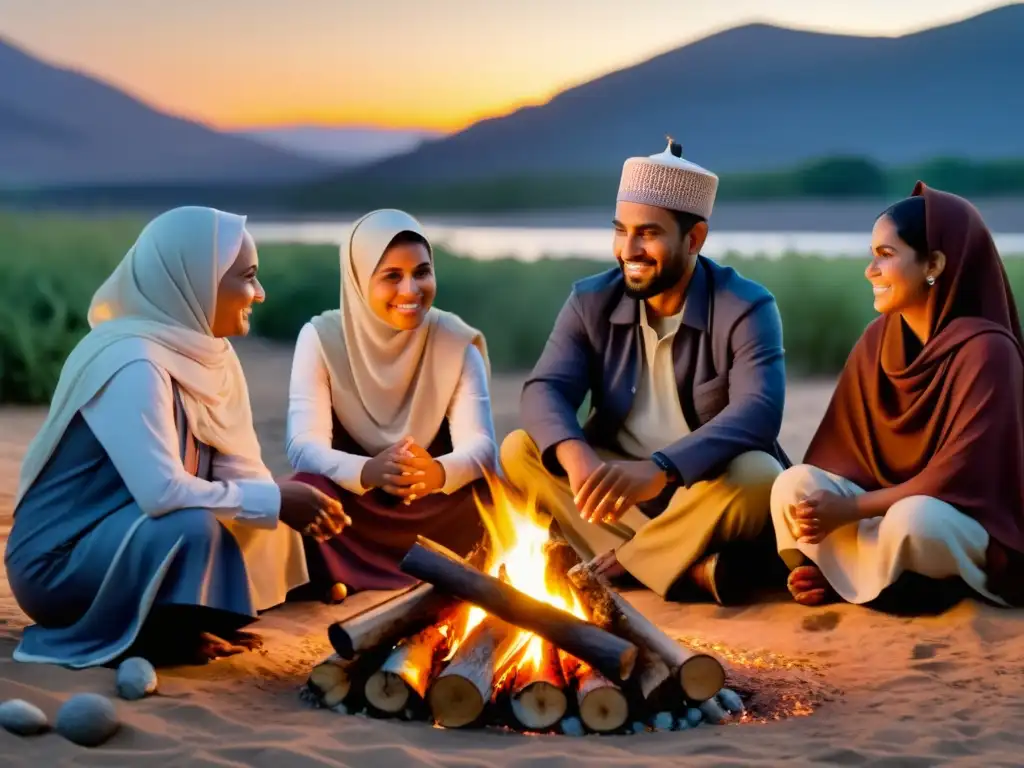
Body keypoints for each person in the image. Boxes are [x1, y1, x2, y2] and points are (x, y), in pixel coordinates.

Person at [4, 206, 349, 669]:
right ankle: (159, 635)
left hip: (136, 537)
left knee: (273, 514)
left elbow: (239, 473)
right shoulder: (133, 360)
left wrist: (285, 504)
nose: (260, 294)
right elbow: (161, 492)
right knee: (202, 523)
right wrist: (275, 500)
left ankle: (185, 622)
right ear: (196, 279)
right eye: (247, 277)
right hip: (61, 564)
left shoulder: (211, 356)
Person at [500, 138, 789, 605]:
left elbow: (759, 412)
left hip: (700, 493)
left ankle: (625, 564)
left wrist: (662, 470)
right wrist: (579, 459)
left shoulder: (747, 305)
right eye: (620, 230)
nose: (628, 249)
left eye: (648, 233)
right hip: (617, 498)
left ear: (694, 239)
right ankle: (683, 566)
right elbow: (545, 390)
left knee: (760, 475)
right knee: (520, 449)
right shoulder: (591, 300)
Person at [771, 182, 1024, 610]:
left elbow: (958, 477)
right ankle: (871, 579)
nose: (870, 270)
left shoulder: (988, 350)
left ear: (935, 264)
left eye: (885, 256)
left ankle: (853, 577)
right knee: (792, 485)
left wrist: (850, 512)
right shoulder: (876, 341)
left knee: (916, 520)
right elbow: (841, 455)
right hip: (878, 515)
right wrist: (839, 509)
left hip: (956, 523)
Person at [285, 208, 496, 601]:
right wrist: (368, 471)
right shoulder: (321, 338)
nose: (411, 290)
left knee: (494, 493)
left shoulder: (454, 340)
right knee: (306, 490)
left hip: (433, 505)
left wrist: (435, 472)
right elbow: (303, 447)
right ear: (358, 279)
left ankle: (442, 572)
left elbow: (482, 447)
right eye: (391, 277)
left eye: (422, 272)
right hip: (355, 507)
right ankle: (341, 572)